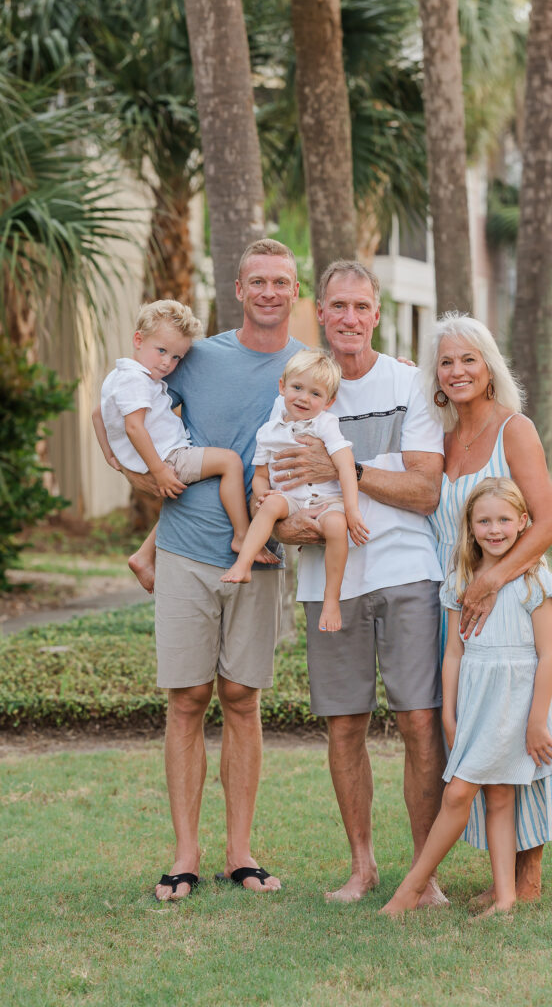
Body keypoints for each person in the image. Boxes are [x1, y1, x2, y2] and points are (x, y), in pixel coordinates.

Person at [93, 238, 303, 900]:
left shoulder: (308, 365)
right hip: (185, 547)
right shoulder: (197, 355)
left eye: (281, 282)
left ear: (295, 292)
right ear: (238, 289)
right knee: (186, 700)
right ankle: (185, 853)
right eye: (257, 281)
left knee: (242, 699)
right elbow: (116, 406)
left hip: (261, 554)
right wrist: (131, 471)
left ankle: (240, 852)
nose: (269, 292)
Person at [273, 260, 447, 905]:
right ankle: (363, 867)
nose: (349, 318)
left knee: (419, 722)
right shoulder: (296, 389)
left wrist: (343, 469)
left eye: (361, 307)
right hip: (329, 583)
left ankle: (423, 876)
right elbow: (277, 492)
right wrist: (290, 526)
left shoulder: (409, 384)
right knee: (344, 726)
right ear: (320, 312)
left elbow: (425, 491)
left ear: (376, 313)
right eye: (338, 306)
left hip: (407, 571)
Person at [424, 312, 552, 907]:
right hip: (458, 606)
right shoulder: (441, 440)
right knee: (483, 735)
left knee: (523, 730)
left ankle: (526, 876)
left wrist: (490, 580)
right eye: (446, 362)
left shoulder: (515, 429)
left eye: (469, 359)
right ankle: (503, 876)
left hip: (510, 598)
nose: (458, 371)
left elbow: (549, 522)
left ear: (489, 368)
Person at [381, 478, 552, 917]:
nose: (494, 530)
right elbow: (453, 653)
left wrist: (536, 721)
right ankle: (505, 898)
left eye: (504, 520)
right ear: (469, 527)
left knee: (458, 795)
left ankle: (411, 889)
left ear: (523, 522)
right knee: (498, 797)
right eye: (484, 521)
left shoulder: (535, 581)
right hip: (476, 701)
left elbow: (548, 656)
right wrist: (449, 714)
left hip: (515, 704)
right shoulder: (460, 580)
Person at [94, 299, 276, 568]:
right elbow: (134, 427)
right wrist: (158, 470)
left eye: (176, 357)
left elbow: (97, 414)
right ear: (138, 339)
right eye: (161, 351)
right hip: (168, 458)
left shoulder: (118, 375)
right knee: (230, 462)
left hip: (163, 457)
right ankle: (241, 536)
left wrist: (111, 454)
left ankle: (144, 556)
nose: (167, 363)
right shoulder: (136, 380)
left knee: (198, 487)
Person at [221, 348, 369, 632]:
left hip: (326, 499)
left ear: (329, 402)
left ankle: (331, 600)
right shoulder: (268, 432)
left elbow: (346, 467)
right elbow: (260, 475)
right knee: (270, 505)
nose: (303, 398)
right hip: (290, 498)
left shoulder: (324, 424)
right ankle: (243, 563)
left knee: (337, 526)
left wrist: (351, 510)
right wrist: (263, 493)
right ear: (282, 387)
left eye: (315, 393)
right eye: (297, 387)